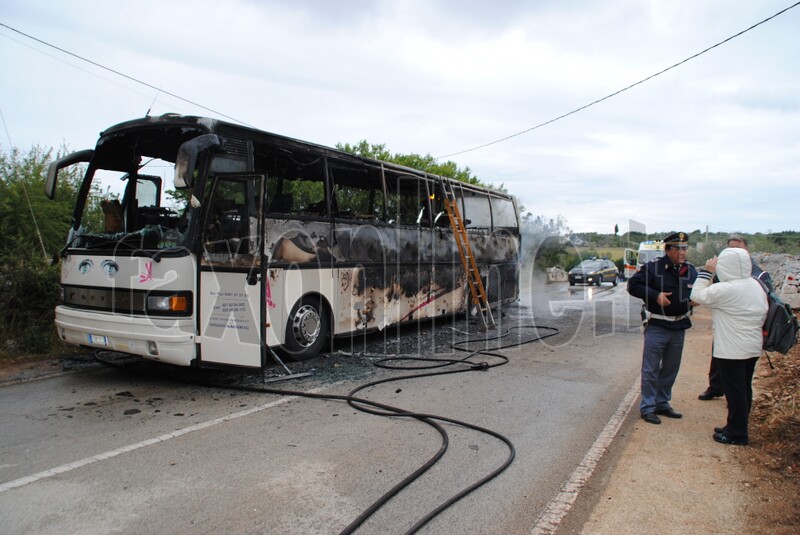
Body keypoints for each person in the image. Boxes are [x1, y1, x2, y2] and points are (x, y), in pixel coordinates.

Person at [690, 248, 768, 445]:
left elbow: (697, 295)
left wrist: (707, 272)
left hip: (732, 350)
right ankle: (735, 426)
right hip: (751, 347)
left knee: (735, 393)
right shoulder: (755, 285)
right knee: (743, 389)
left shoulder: (728, 289)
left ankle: (737, 433)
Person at [628, 232, 698, 424]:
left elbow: (700, 290)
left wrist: (698, 299)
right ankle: (648, 407)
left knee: (670, 368)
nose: (683, 252)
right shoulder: (653, 268)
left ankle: (662, 402)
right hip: (658, 324)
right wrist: (655, 295)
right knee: (650, 369)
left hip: (679, 325)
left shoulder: (691, 270)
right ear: (668, 250)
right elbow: (633, 286)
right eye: (678, 249)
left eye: (685, 248)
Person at [698, 235, 773, 400]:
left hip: (742, 334)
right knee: (720, 363)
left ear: (746, 250)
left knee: (739, 383)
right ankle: (716, 387)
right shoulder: (726, 272)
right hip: (728, 329)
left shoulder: (759, 275)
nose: (734, 252)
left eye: (737, 249)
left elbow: (767, 301)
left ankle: (737, 415)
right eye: (730, 249)